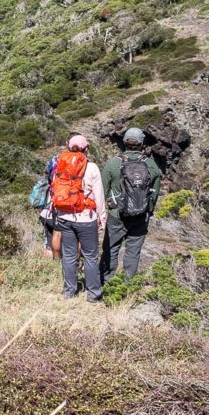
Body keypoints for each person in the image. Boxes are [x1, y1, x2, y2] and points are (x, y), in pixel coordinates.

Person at [100, 127, 162, 281]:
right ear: (142, 144)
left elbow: (102, 190)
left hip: (117, 215)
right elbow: (155, 192)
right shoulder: (151, 165)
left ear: (124, 142)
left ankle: (107, 283)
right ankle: (127, 284)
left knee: (111, 249)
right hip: (141, 216)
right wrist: (148, 210)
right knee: (133, 252)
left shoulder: (113, 163)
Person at [50, 133, 105, 301]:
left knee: (69, 255)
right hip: (86, 219)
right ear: (86, 149)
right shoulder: (92, 167)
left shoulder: (60, 165)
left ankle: (69, 292)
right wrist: (101, 217)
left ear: (68, 147)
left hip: (65, 217)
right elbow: (99, 196)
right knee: (90, 256)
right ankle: (93, 294)